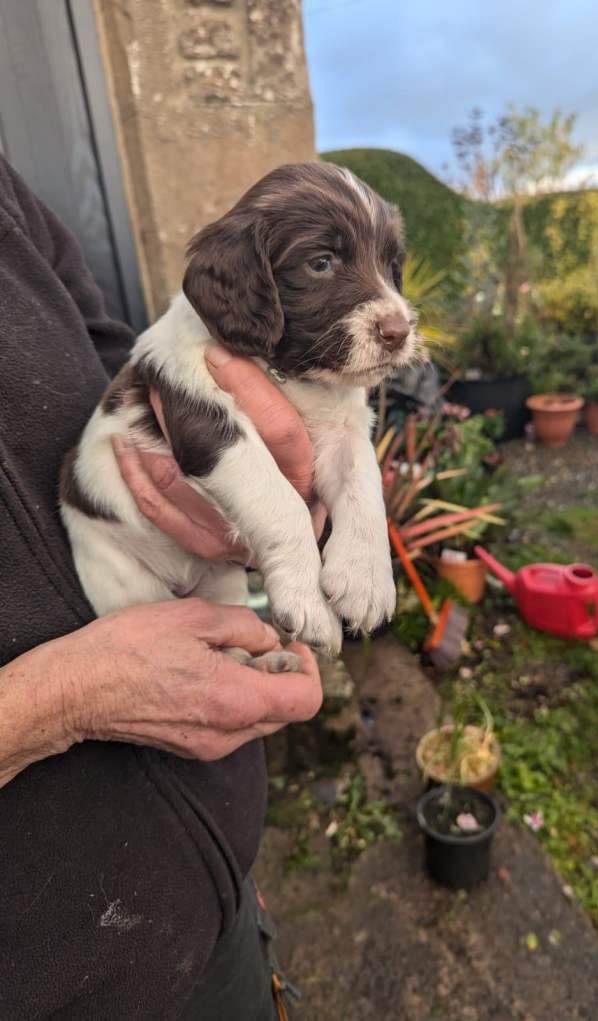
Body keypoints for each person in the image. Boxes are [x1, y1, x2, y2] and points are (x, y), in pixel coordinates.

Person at [0, 153, 321, 1018]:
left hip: (211, 886)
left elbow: (125, 355)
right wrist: (64, 698)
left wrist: (251, 505)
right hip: (61, 985)